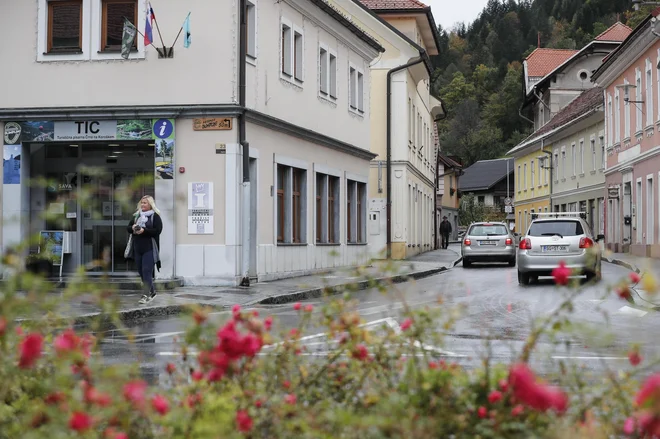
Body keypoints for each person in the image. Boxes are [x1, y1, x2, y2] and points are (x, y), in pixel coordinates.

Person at [127, 195, 163, 304]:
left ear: (150, 205)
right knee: (142, 273)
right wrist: (133, 228)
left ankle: (145, 295)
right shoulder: (136, 216)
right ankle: (152, 292)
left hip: (150, 248)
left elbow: (158, 230)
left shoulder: (155, 216)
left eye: (145, 203)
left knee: (147, 271)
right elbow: (128, 228)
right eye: (142, 203)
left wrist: (144, 230)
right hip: (138, 248)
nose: (143, 205)